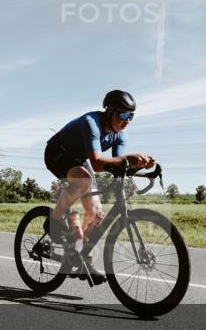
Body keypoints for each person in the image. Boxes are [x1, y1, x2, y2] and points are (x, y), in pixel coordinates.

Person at [43, 90, 155, 284]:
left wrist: (140, 167)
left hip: (80, 160)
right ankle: (54, 220)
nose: (127, 120)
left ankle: (85, 262)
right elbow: (97, 163)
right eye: (123, 115)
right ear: (109, 111)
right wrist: (129, 158)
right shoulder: (91, 122)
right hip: (57, 153)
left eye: (131, 116)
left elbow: (116, 163)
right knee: (84, 181)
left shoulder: (120, 136)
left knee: (96, 212)